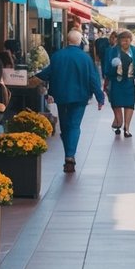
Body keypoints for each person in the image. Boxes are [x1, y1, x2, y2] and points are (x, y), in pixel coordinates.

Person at [33, 28, 105, 172]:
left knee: (65, 125)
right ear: (80, 41)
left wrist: (33, 79)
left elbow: (48, 72)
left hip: (61, 96)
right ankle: (70, 156)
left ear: (67, 40)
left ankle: (68, 153)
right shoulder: (85, 58)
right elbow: (93, 79)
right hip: (80, 97)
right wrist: (100, 97)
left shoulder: (57, 56)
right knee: (74, 125)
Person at [105, 29, 135, 137]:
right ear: (119, 41)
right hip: (116, 81)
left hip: (129, 82)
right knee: (116, 103)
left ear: (131, 40)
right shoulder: (112, 51)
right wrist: (113, 67)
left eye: (128, 40)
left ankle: (127, 127)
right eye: (123, 40)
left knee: (129, 104)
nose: (126, 42)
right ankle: (119, 121)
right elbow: (107, 67)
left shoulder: (134, 50)